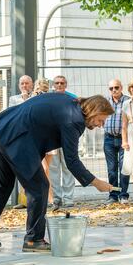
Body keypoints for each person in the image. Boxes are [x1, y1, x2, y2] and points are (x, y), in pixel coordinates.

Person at [0, 94, 114, 251]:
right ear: (93, 111)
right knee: (39, 188)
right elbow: (72, 161)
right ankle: (34, 239)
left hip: (2, 131)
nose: (101, 125)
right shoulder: (75, 120)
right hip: (18, 139)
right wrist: (96, 182)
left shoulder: (70, 103)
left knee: (0, 187)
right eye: (101, 120)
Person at [49, 74, 77, 208]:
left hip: (68, 139)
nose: (59, 85)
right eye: (57, 83)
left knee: (68, 167)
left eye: (62, 83)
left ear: (66, 85)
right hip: (52, 138)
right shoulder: (48, 98)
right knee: (54, 169)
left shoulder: (73, 98)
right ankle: (56, 197)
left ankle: (68, 197)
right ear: (53, 85)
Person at [103, 79, 130, 204]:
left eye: (116, 87)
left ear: (121, 87)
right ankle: (114, 194)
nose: (114, 90)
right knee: (112, 169)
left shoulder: (128, 101)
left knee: (124, 168)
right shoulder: (105, 101)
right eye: (111, 88)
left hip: (124, 139)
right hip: (108, 138)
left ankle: (123, 195)